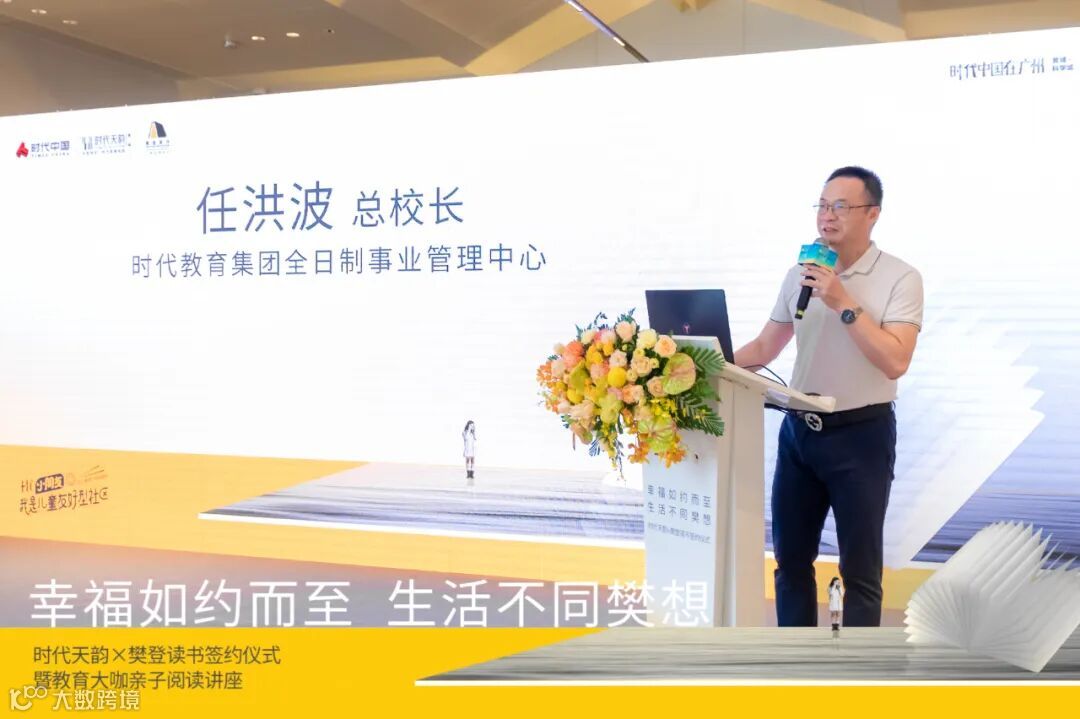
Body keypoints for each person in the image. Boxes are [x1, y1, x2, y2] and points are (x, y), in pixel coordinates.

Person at [733, 166, 923, 627]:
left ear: (872, 214)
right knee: (790, 563)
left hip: (861, 437)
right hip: (799, 434)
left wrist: (842, 301)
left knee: (860, 572)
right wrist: (701, 366)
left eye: (840, 206)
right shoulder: (800, 274)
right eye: (821, 205)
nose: (827, 215)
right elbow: (765, 348)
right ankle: (798, 661)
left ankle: (858, 666)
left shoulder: (900, 277)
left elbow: (896, 360)